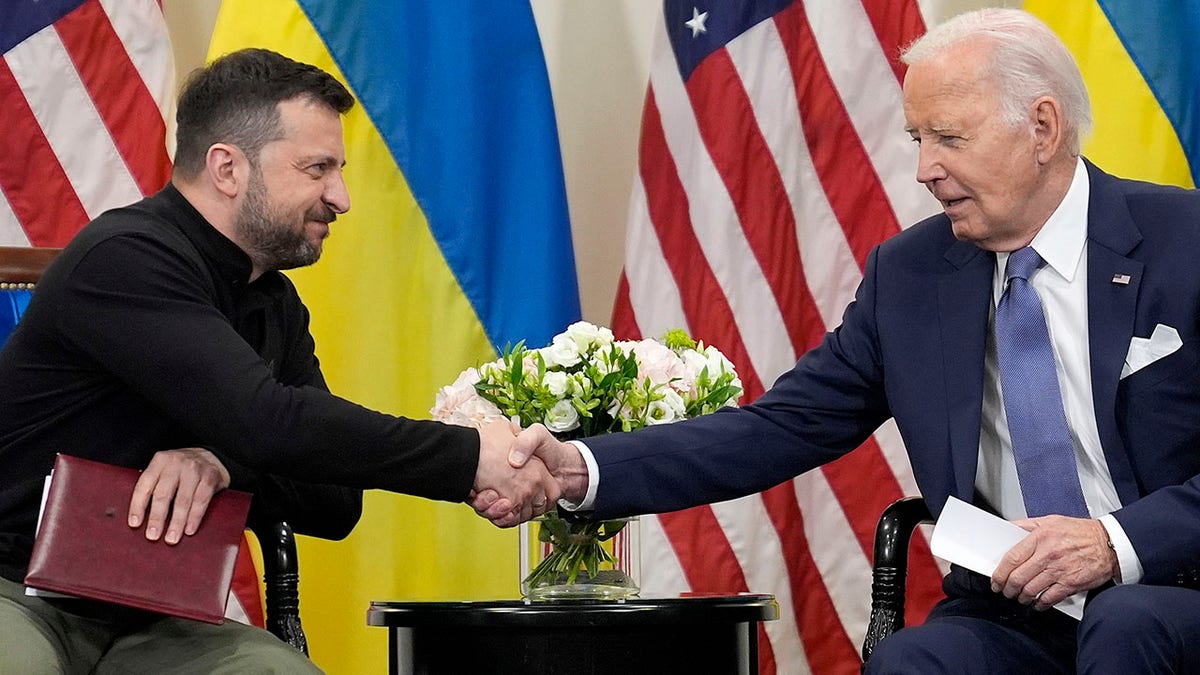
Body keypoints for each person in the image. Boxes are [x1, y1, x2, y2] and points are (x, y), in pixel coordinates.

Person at [481, 8, 1200, 674]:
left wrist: (1113, 542)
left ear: (1043, 128)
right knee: (912, 662)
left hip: (1173, 586)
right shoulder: (912, 276)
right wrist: (581, 467)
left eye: (949, 137)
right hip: (1015, 613)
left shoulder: (1184, 242)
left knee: (1127, 622)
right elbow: (777, 427)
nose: (925, 170)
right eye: (918, 140)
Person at [0, 48, 559, 674]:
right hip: (16, 594)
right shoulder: (125, 258)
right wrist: (468, 457)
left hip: (155, 619)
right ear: (227, 167)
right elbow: (267, 421)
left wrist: (221, 463)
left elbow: (333, 502)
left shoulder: (273, 301)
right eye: (317, 169)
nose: (341, 198)